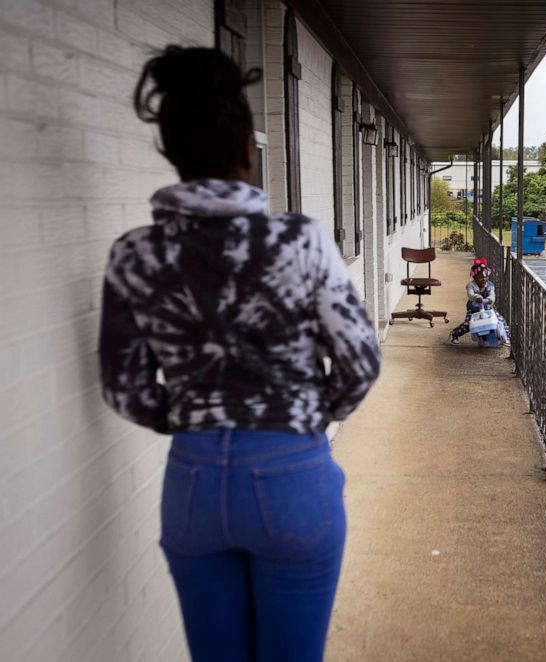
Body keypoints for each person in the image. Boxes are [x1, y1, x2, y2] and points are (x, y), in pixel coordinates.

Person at [98, 46, 381, 662]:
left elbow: (126, 389)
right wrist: (309, 413)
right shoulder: (298, 240)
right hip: (291, 474)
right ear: (248, 151)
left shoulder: (133, 253)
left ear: (171, 153)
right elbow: (360, 362)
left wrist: (191, 417)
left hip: (193, 481)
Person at [448, 258, 509, 345]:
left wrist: (490, 299)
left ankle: (506, 336)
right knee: (468, 324)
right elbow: (470, 294)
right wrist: (476, 297)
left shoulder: (490, 285)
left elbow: (492, 294)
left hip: (488, 308)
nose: (484, 279)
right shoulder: (471, 286)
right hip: (474, 309)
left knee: (500, 320)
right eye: (481, 277)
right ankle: (455, 334)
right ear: (475, 277)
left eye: (486, 277)